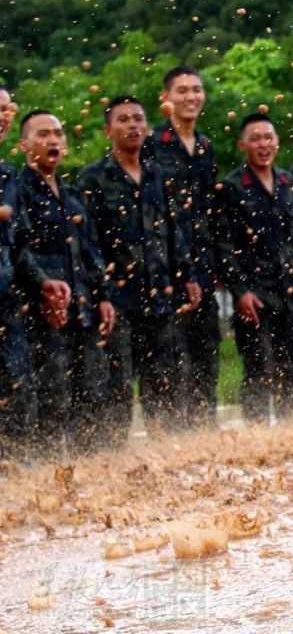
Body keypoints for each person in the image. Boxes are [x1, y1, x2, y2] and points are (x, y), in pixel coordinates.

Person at [77, 96, 199, 442]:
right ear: (108, 130)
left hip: (160, 296)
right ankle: (111, 460)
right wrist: (99, 293)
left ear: (147, 128)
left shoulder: (157, 175)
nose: (132, 125)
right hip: (118, 302)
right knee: (114, 387)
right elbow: (88, 243)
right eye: (123, 119)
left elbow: (173, 229)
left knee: (166, 383)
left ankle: (167, 453)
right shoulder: (93, 179)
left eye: (138, 119)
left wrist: (187, 273)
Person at [216, 113, 293, 421]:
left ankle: (290, 434)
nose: (263, 144)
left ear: (277, 142)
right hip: (256, 294)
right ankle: (256, 438)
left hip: (292, 291)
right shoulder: (231, 188)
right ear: (242, 144)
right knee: (259, 368)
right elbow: (225, 246)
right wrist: (240, 291)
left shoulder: (287, 183)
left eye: (268, 137)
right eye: (255, 138)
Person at [14, 110, 115, 457]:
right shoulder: (18, 190)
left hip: (83, 313)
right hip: (42, 316)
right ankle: (46, 477)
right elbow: (18, 249)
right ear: (24, 145)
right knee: (51, 399)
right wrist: (40, 289)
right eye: (43, 134)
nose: (53, 140)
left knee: (93, 393)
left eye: (58, 133)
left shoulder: (72, 197)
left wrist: (102, 295)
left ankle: (90, 473)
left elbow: (90, 251)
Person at [141, 65, 220, 428]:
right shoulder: (152, 145)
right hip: (165, 267)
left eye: (196, 90)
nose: (191, 97)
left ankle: (203, 431)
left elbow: (209, 211)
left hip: (203, 265)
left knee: (206, 351)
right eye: (182, 91)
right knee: (167, 358)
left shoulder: (205, 147)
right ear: (166, 100)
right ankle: (165, 435)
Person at [0, 88, 31, 455]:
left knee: (16, 384)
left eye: (7, 109)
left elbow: (17, 242)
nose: (3, 116)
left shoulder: (8, 174)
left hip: (5, 298)